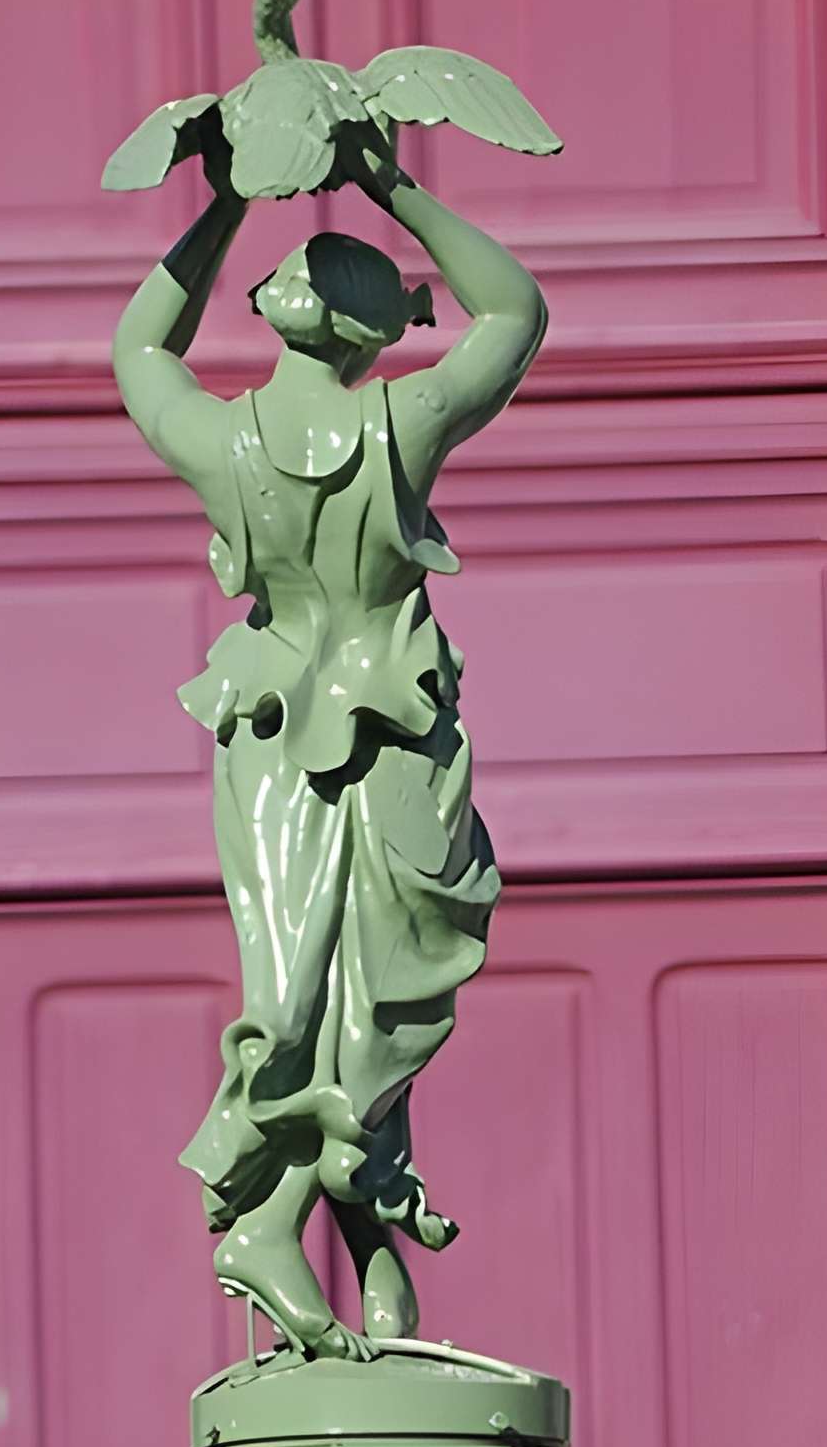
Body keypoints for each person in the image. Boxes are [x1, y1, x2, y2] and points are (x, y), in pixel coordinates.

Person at [112, 135, 547, 1358]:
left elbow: (140, 351)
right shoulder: (402, 423)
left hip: (269, 733)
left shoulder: (221, 444)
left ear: (278, 315)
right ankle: (296, 1223)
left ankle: (349, 1226)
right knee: (385, 993)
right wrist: (385, 178)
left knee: (306, 997)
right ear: (370, 334)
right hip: (394, 723)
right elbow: (513, 307)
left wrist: (218, 206)